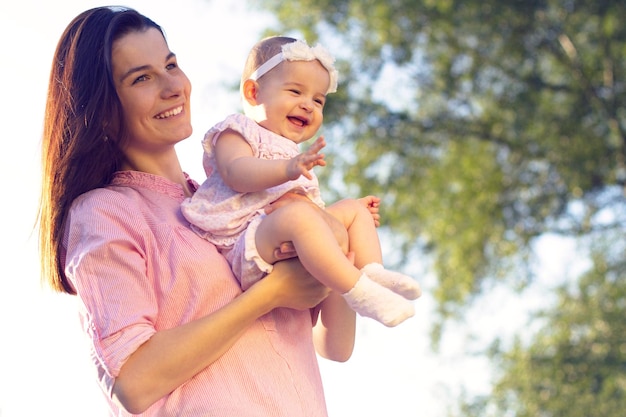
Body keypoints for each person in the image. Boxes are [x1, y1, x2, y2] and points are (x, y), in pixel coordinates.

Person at [37, 7, 359, 416]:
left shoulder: (232, 201)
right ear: (101, 107)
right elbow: (132, 384)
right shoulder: (105, 212)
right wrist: (269, 293)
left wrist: (341, 244)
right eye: (142, 77)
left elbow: (333, 345)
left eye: (170, 64)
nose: (173, 86)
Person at [181, 36, 421, 327]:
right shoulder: (238, 130)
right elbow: (237, 172)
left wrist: (348, 218)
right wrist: (288, 168)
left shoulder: (292, 154)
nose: (308, 105)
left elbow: (311, 211)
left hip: (289, 232)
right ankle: (360, 291)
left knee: (352, 209)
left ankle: (373, 272)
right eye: (295, 91)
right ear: (254, 92)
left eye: (318, 100)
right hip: (244, 238)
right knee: (298, 215)